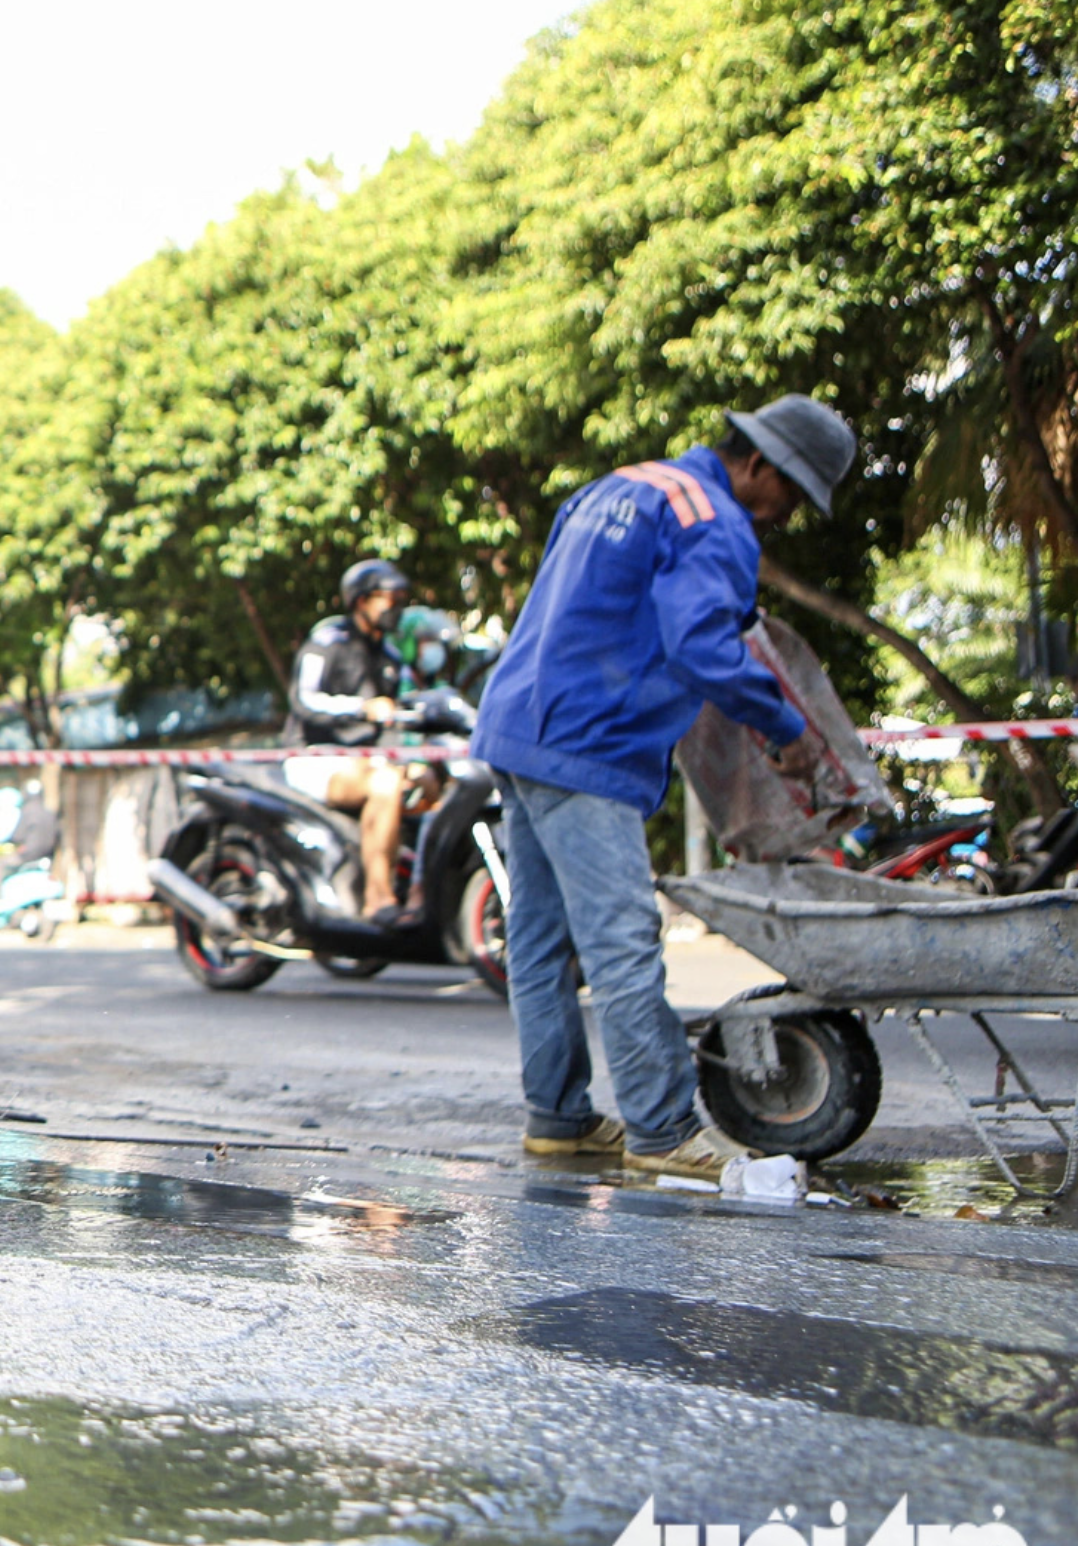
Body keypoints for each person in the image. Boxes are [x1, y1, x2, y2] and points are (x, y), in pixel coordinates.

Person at [472, 397, 854, 1182]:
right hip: (589, 745)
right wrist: (786, 732)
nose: (787, 515)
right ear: (759, 465)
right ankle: (663, 1129)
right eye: (791, 495)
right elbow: (705, 650)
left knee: (542, 946)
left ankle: (560, 1121)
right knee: (621, 945)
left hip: (519, 729)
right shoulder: (713, 518)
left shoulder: (619, 487)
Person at [282, 559, 415, 919]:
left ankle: (419, 894)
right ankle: (378, 898)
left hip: (368, 763)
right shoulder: (327, 642)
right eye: (390, 599)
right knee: (387, 783)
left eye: (401, 600)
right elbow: (303, 700)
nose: (396, 609)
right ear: (361, 601)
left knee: (428, 782)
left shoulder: (390, 655)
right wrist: (361, 708)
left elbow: (400, 711)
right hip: (316, 759)